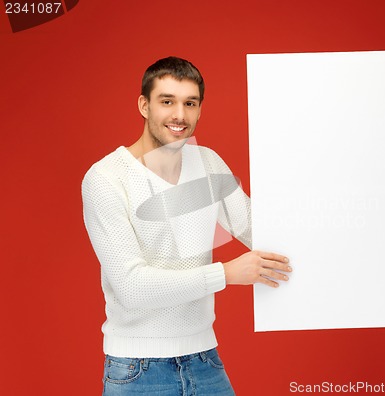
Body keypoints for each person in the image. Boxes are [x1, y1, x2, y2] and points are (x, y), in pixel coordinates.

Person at [81, 56, 292, 395]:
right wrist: (226, 274)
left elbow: (257, 228)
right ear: (144, 105)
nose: (179, 115)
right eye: (167, 101)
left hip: (204, 359)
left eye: (189, 103)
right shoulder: (106, 179)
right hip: (138, 370)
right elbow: (132, 287)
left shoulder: (207, 161)